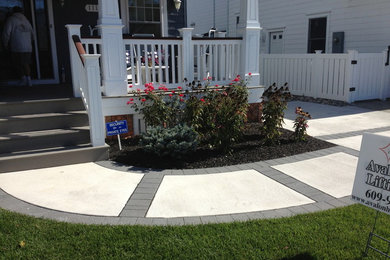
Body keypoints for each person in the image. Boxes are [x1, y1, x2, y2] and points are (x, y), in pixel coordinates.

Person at [2, 6, 34, 87]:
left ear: (13, 11)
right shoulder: (26, 20)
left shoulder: (11, 19)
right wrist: (31, 42)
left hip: (17, 45)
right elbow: (32, 33)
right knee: (26, 63)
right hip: (28, 46)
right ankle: (29, 80)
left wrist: (5, 44)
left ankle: (23, 79)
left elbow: (6, 33)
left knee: (17, 63)